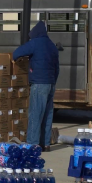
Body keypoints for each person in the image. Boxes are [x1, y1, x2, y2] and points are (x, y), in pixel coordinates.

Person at [12, 21, 59, 152]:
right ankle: (45, 143)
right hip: (51, 84)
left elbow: (17, 53)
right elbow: (57, 68)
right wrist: (52, 82)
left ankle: (32, 143)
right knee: (47, 114)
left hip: (39, 83)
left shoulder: (35, 43)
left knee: (35, 113)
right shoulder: (51, 45)